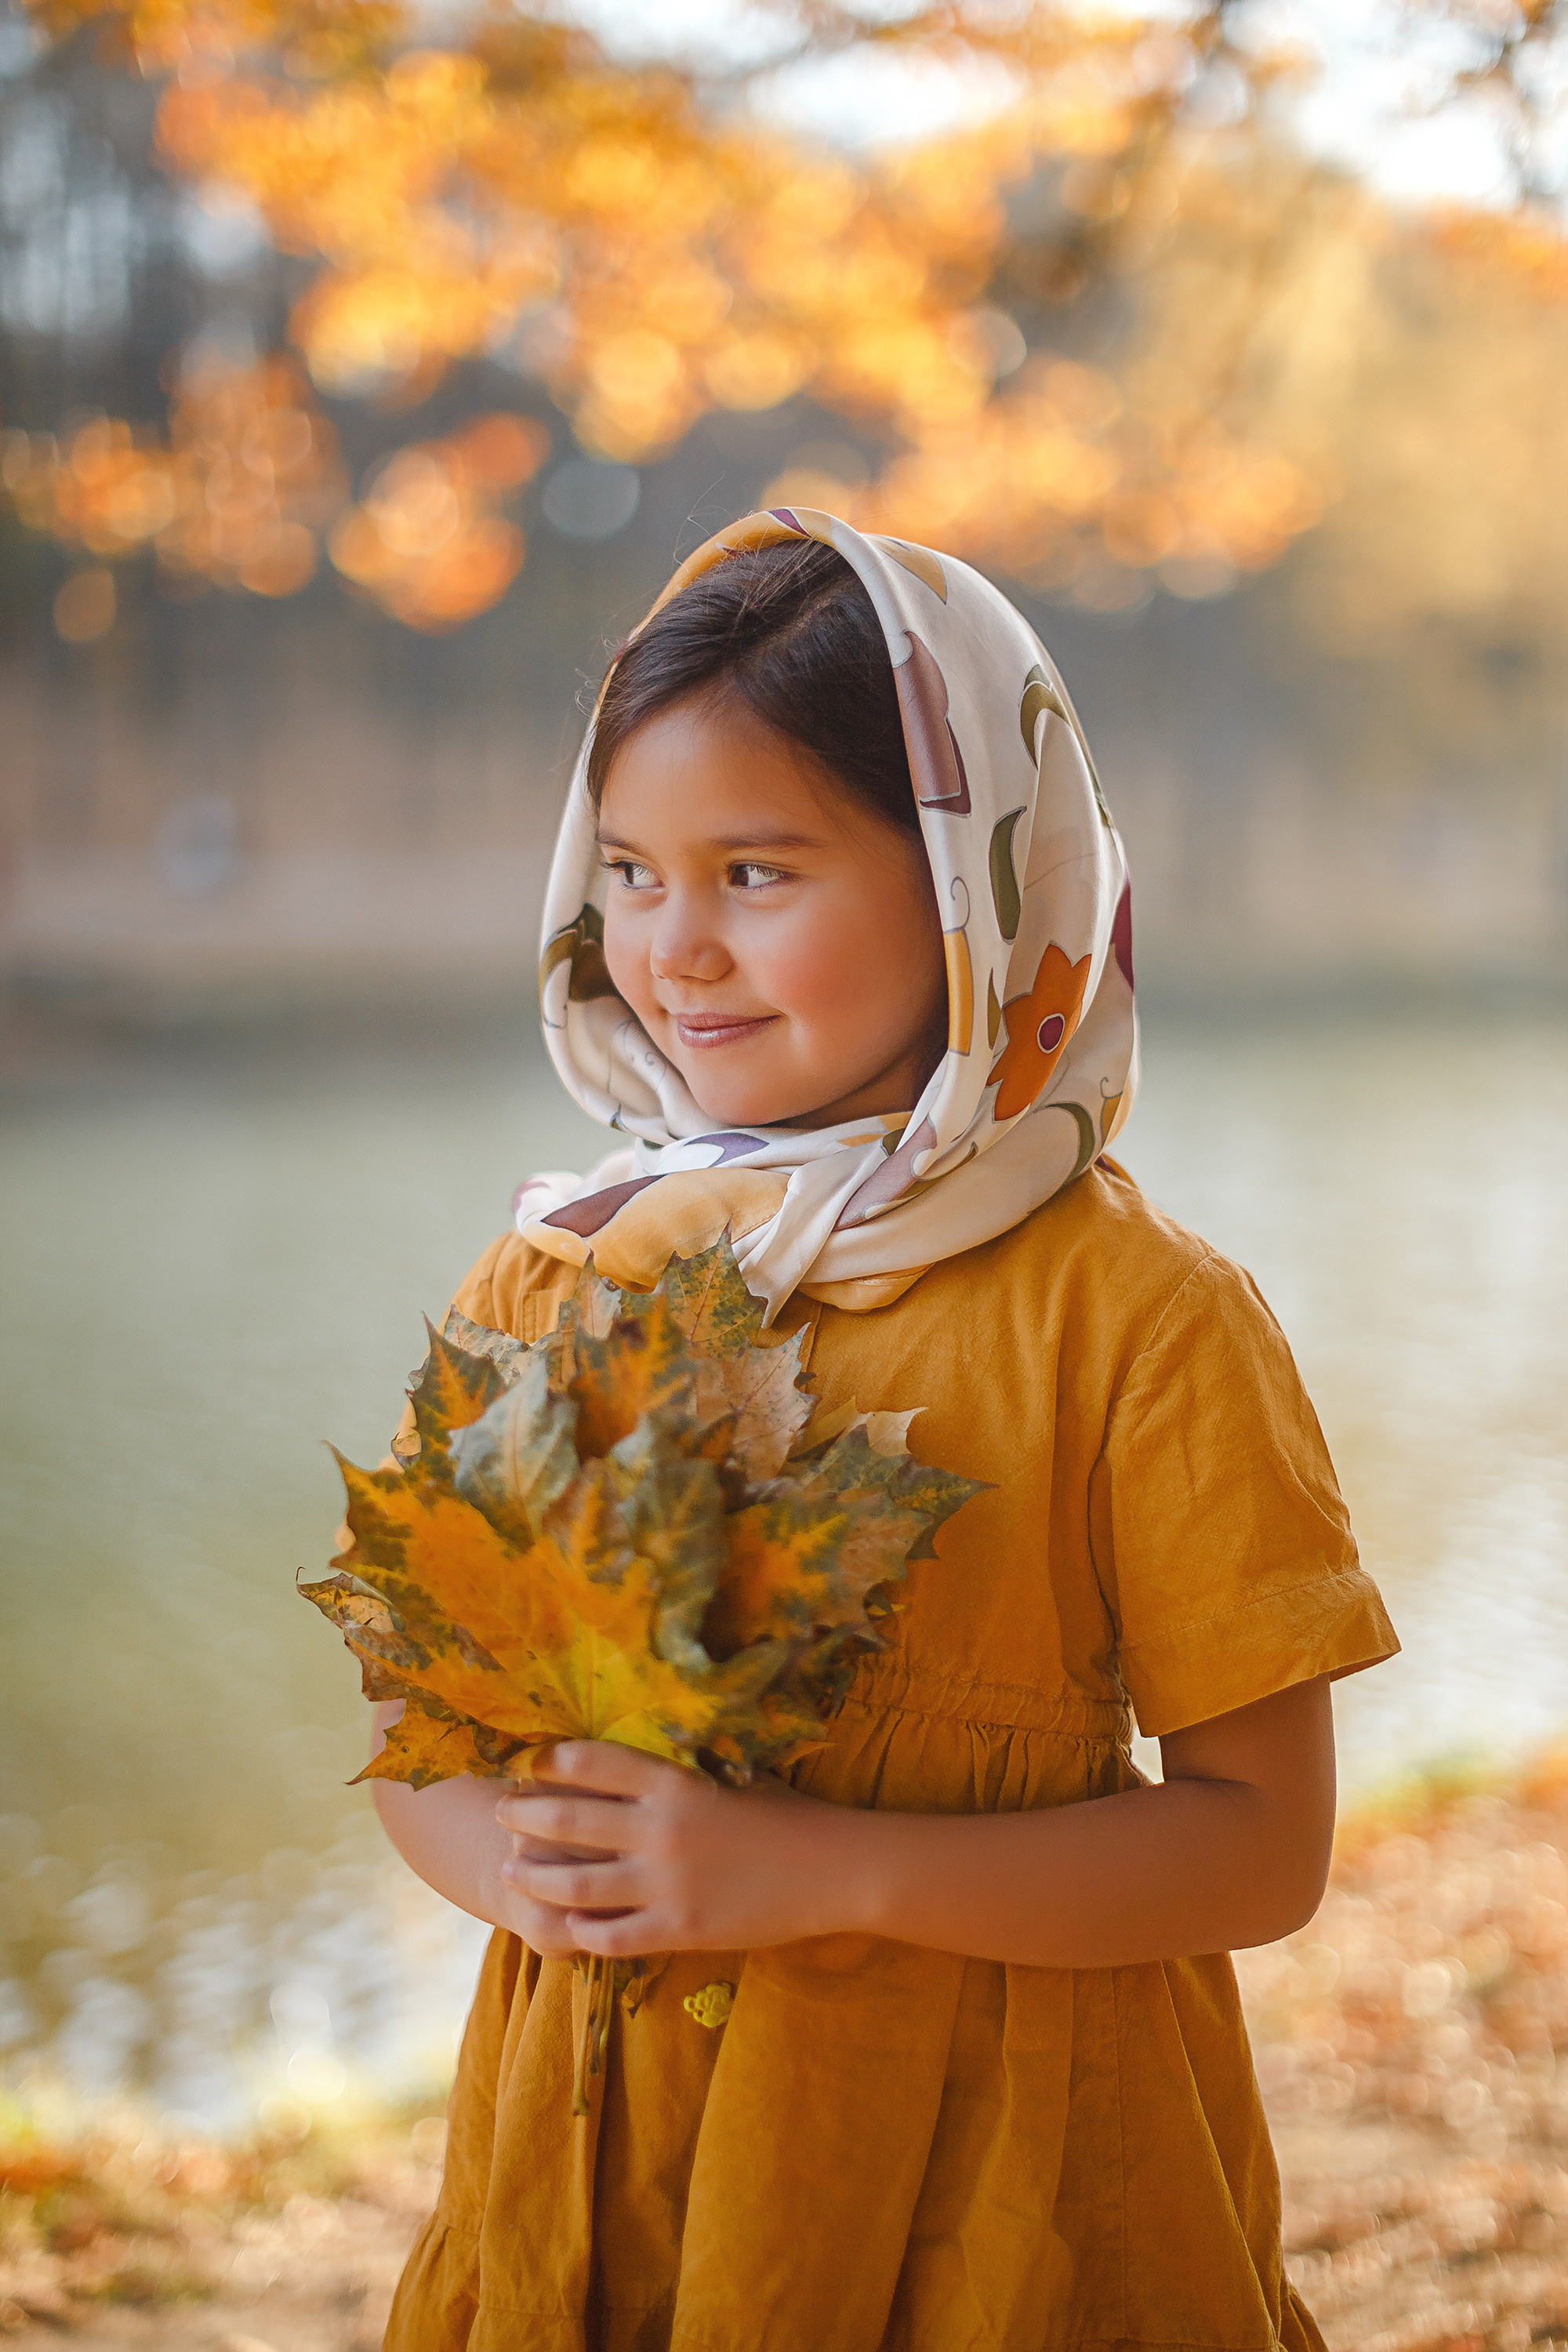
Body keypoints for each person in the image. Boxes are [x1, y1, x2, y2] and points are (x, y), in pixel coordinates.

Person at [371, 510, 1399, 2352]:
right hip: (596, 2191)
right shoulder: (554, 1282)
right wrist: (511, 1864)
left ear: (968, 888)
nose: (671, 950)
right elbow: (418, 1738)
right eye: (627, 872)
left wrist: (816, 1872)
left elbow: (1262, 1848)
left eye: (756, 872)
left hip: (1000, 2219)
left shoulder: (1136, 1325)